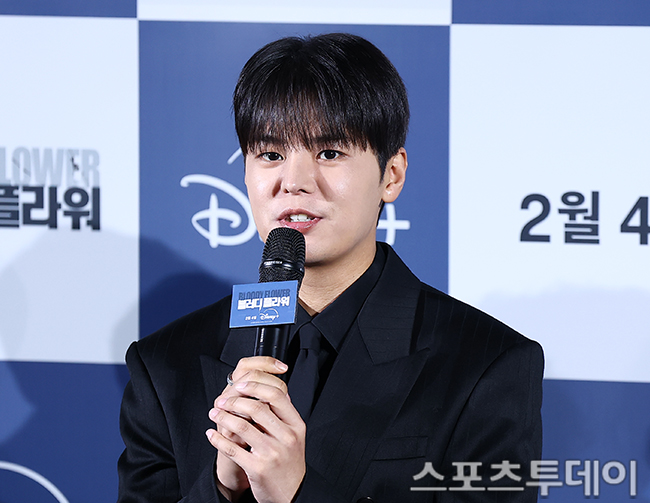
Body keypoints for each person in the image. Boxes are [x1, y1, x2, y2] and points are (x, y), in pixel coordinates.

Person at [117, 33, 544, 503]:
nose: (294, 183)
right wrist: (221, 490)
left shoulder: (485, 365)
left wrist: (297, 493)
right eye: (271, 155)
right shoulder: (164, 366)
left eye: (329, 153)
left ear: (391, 175)